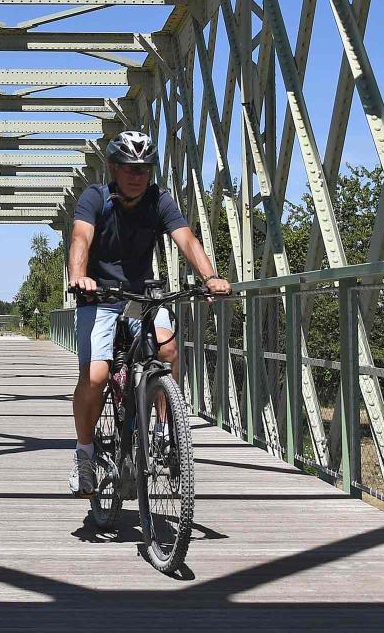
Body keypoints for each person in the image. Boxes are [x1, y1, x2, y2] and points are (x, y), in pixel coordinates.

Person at [65, 130, 230, 497]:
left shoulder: (159, 200)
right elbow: (80, 238)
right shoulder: (96, 197)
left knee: (169, 351)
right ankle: (85, 453)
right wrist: (79, 276)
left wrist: (211, 277)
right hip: (100, 296)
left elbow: (185, 238)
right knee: (95, 375)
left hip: (142, 295)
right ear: (113, 168)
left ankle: (165, 432)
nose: (136, 175)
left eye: (143, 168)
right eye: (128, 167)